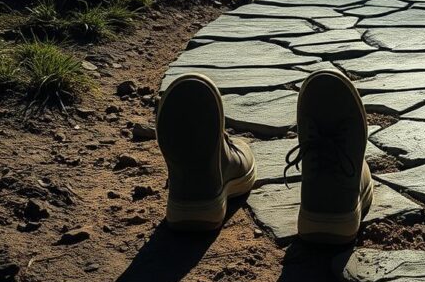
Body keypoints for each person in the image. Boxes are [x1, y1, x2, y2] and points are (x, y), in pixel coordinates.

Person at [155, 69, 373, 243]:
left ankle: (193, 194)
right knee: (354, 171)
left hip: (186, 192)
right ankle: (333, 202)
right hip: (333, 202)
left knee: (234, 161)